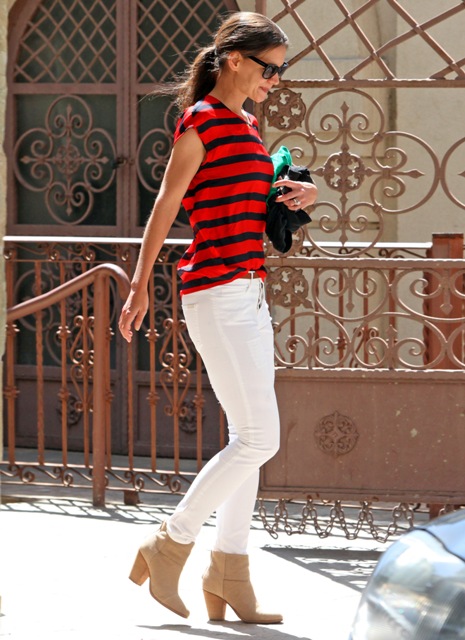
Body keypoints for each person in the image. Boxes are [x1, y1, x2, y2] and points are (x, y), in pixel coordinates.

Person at [118, 10, 318, 624]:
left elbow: (246, 202)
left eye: (280, 70)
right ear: (233, 59)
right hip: (216, 289)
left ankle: (230, 573)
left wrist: (298, 194)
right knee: (260, 438)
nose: (275, 80)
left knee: (247, 440)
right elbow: (166, 204)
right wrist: (138, 285)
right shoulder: (201, 121)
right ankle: (170, 542)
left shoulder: (248, 127)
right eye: (269, 69)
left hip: (249, 291)